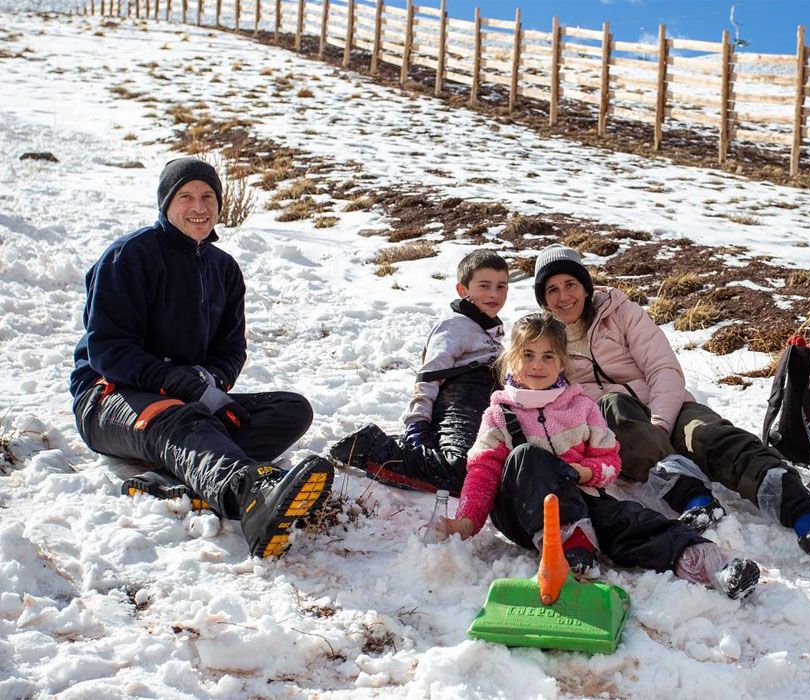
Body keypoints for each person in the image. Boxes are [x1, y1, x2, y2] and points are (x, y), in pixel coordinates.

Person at [70, 157, 334, 559]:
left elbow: (231, 351)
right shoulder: (129, 256)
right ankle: (250, 494)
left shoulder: (224, 269)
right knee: (181, 419)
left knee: (290, 409)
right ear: (166, 203)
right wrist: (176, 381)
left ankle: (171, 471)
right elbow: (108, 349)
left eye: (208, 196)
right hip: (110, 398)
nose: (199, 207)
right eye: (186, 196)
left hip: (187, 398)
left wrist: (210, 381)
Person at [533, 244, 810, 555]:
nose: (563, 296)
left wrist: (661, 423)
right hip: (620, 428)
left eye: (570, 284)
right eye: (552, 289)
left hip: (665, 405)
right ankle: (694, 499)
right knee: (612, 406)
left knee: (709, 434)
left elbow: (663, 368)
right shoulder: (544, 342)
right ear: (543, 299)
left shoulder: (621, 313)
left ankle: (797, 503)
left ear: (585, 286)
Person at [438, 313, 760, 600]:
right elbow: (483, 471)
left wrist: (586, 473)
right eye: (528, 355)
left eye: (548, 356)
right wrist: (468, 520)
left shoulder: (582, 408)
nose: (537, 364)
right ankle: (572, 546)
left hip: (579, 500)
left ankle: (708, 563)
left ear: (562, 363)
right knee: (527, 456)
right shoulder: (500, 413)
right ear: (511, 360)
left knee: (629, 518)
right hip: (523, 512)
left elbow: (610, 461)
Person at [329, 250, 508, 494]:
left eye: (501, 286)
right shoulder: (454, 327)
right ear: (462, 290)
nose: (494, 294)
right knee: (461, 472)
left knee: (490, 473)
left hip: (482, 411)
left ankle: (415, 449)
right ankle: (366, 448)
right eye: (484, 285)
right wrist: (417, 426)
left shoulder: (491, 333)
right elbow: (428, 378)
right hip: (458, 405)